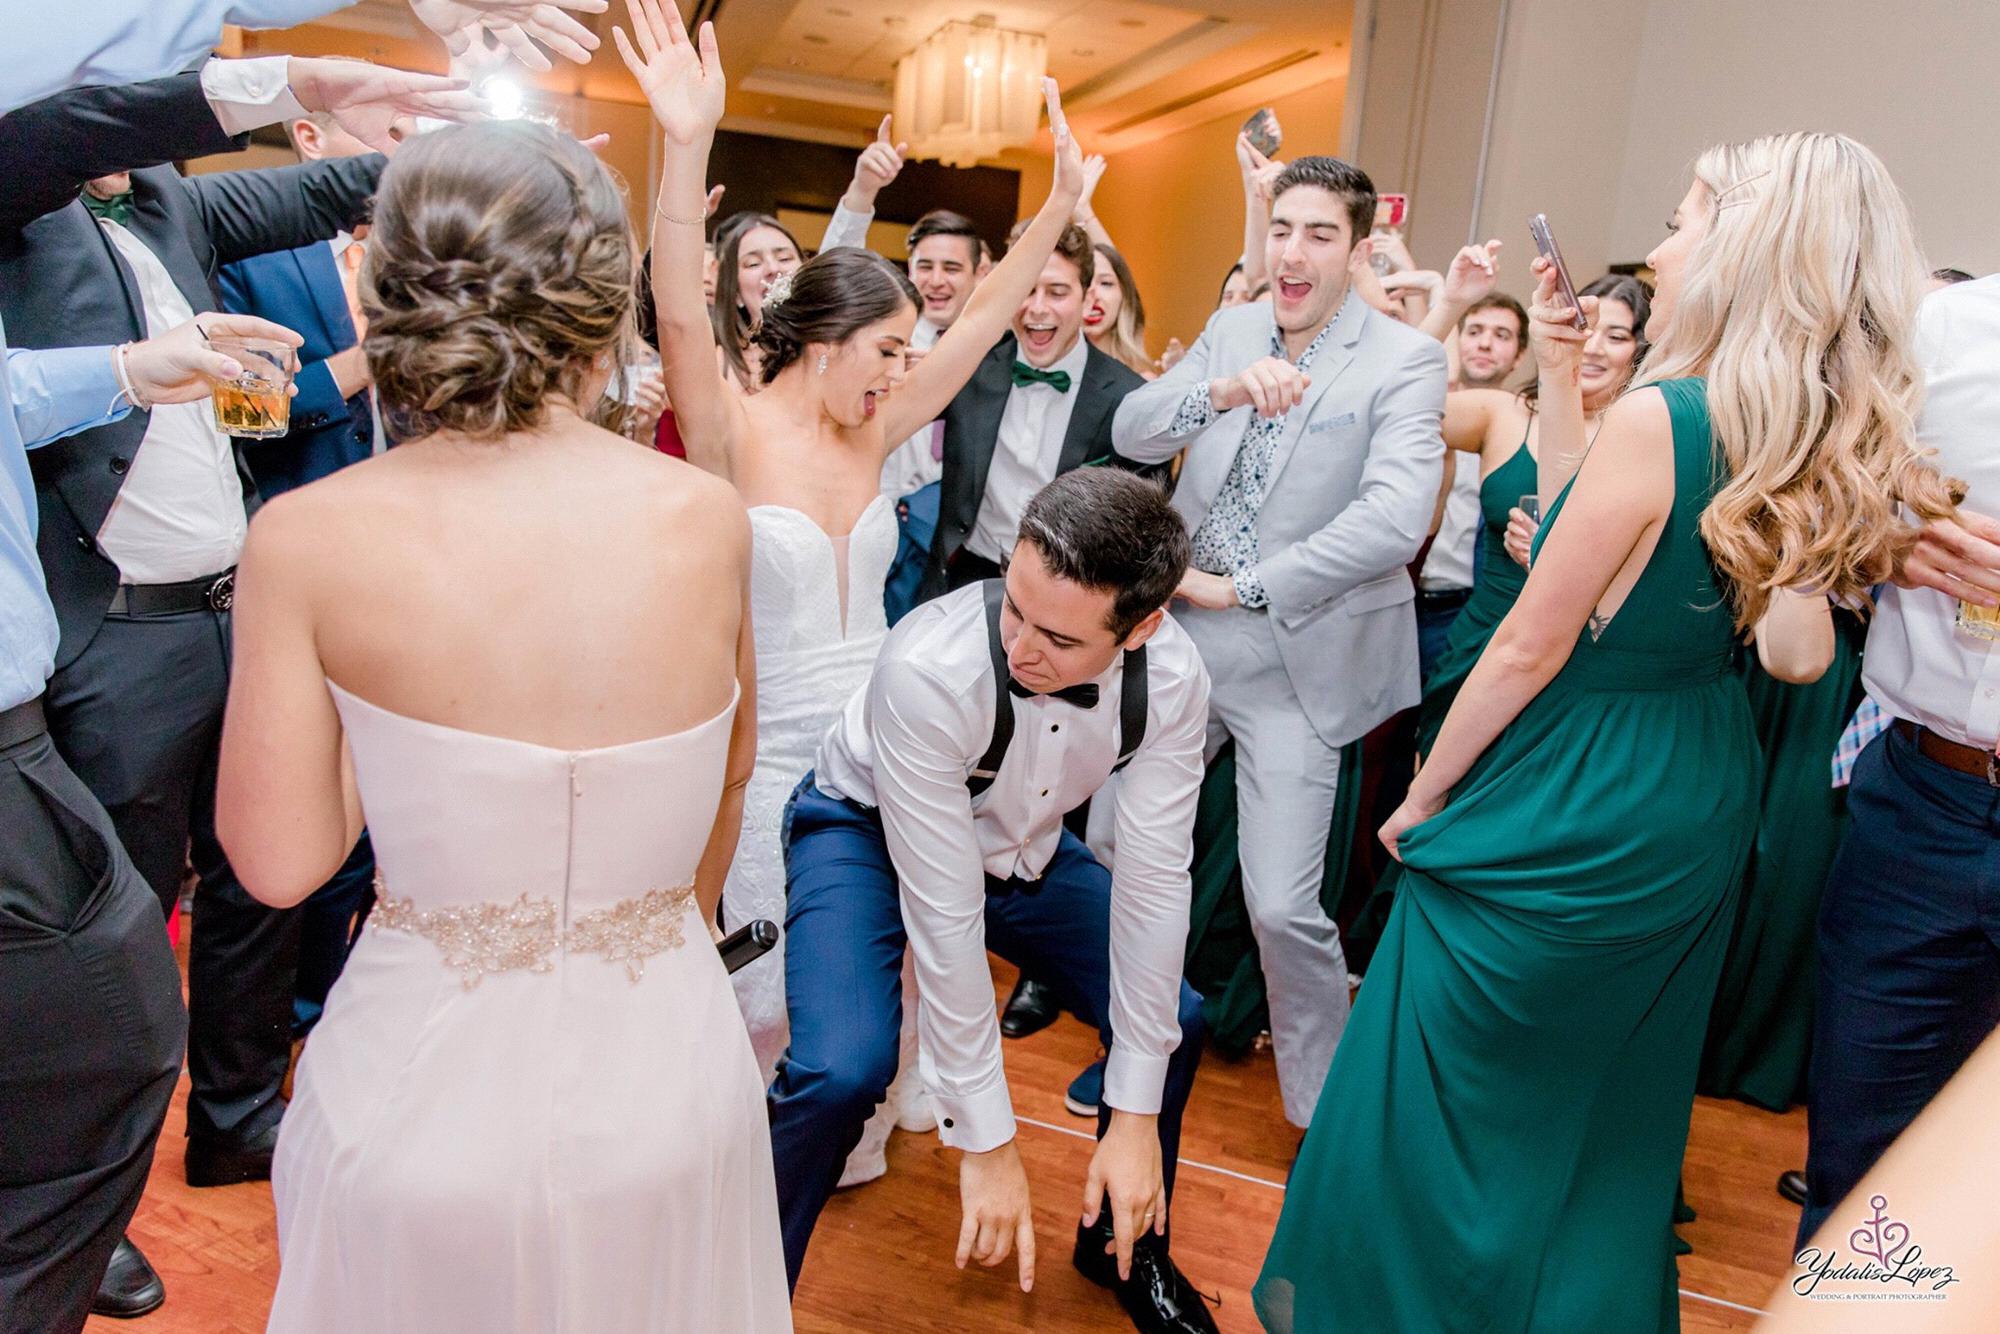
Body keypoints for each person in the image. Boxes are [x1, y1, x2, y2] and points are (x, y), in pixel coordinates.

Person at [1258, 131, 1953, 1333]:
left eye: (1680, 222)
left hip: (1569, 781)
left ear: (1736, 248)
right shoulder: (1788, 428)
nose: (1662, 247)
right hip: (1692, 784)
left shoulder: (1665, 416)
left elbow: (1527, 646)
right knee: (1602, 1120)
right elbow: (1790, 654)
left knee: (1445, 1101)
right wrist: (1566, 385)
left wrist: (1424, 793)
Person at [214, 118, 790, 1331]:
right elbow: (731, 775)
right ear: (601, 302)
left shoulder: (305, 537)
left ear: (387, 294)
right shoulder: (705, 517)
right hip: (669, 1076)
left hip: (418, 1092)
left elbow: (278, 863)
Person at [619, 0, 1097, 1101]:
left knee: (879, 960)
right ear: (825, 343)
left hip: (883, 737)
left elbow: (982, 319)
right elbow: (681, 314)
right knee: (763, 977)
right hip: (761, 741)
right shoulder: (733, 428)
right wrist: (686, 142)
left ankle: (853, 1121)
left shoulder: (873, 429)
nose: (900, 370)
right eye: (884, 349)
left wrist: (1058, 207)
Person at [771, 469, 1218, 1333]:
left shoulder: (1171, 679)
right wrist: (987, 1140)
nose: (1020, 649)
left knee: (1179, 1017)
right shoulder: (927, 667)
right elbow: (946, 923)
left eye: (1060, 637)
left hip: (1020, 847)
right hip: (864, 832)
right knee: (840, 1070)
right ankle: (742, 1282)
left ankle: (1124, 1243)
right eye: (1014, 608)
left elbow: (1156, 880)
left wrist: (1134, 1114)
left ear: (1143, 628)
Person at [1112, 155, 1448, 1131]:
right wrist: (1217, 390)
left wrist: (1244, 586)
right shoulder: (1233, 328)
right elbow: (1131, 430)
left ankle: (1321, 1114)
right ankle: (1131, 1056)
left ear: (1358, 249)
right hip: (1178, 638)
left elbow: (1394, 518)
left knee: (1280, 905)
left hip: (1294, 660)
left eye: (1319, 235)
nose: (1292, 253)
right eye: (1283, 229)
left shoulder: (1404, 360)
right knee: (1117, 847)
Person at [1797, 271, 2000, 1247]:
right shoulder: (1935, 328)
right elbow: (1810, 506)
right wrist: (1879, 546)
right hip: (1924, 800)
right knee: (1859, 1168)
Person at [1413, 274, 1650, 753]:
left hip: (1580, 661)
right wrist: (1448, 303)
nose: (1593, 347)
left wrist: (1566, 559)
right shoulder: (1504, 413)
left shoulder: (1647, 435)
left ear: (1640, 349)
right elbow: (1394, 396)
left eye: (1616, 336)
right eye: (1584, 327)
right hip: (1482, 642)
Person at [920, 220, 1156, 600]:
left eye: (1057, 292)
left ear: (1087, 297)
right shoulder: (969, 366)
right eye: (1026, 290)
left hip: (1067, 593)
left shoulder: (1127, 398)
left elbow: (1139, 533)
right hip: (962, 578)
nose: (1037, 308)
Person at [1412, 289, 1531, 677]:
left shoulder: (1524, 433)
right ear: (1458, 340)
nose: (1484, 343)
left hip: (1471, 606)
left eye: (1501, 335)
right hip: (1404, 593)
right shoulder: (1425, 415)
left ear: (1519, 355)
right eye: (1475, 330)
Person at [711, 210, 804, 388]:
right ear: (735, 292)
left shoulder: (832, 349)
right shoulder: (718, 367)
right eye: (753, 263)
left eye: (784, 258)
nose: (773, 268)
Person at [1085, 242, 1153, 377]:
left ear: (1124, 297)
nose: (1093, 294)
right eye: (1085, 282)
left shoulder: (1141, 381)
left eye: (1105, 283)